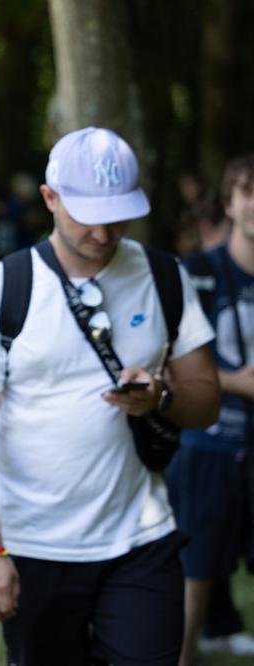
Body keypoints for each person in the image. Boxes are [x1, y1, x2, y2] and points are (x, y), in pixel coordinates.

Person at [0, 126, 220, 665]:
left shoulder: (165, 276)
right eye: (86, 213)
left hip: (142, 537)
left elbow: (207, 398)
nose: (103, 230)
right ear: (50, 199)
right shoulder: (0, 289)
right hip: (34, 545)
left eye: (117, 213)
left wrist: (160, 397)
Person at [169, 153, 254, 664]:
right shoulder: (197, 272)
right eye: (247, 191)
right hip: (209, 444)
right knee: (194, 569)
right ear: (229, 202)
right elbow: (163, 359)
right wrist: (236, 382)